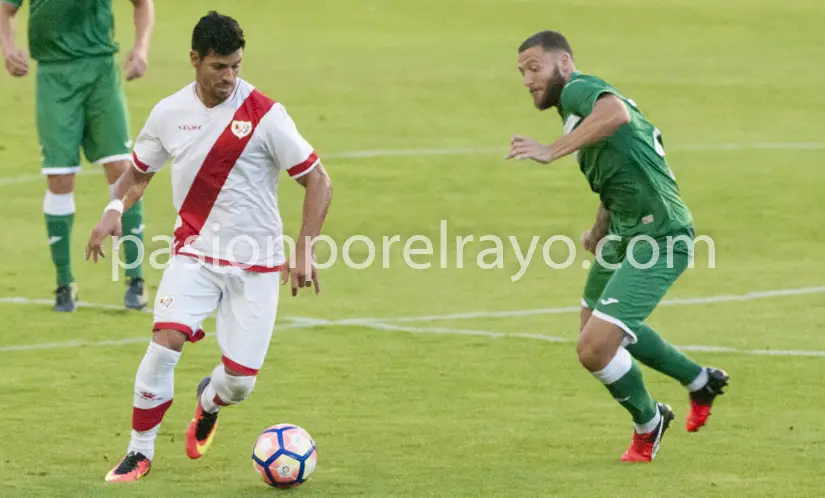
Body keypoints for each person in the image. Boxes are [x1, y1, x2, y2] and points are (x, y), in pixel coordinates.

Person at [85, 11, 333, 482]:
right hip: (194, 255)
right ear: (195, 59)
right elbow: (137, 173)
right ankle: (139, 451)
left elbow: (319, 180)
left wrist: (305, 250)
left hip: (257, 266)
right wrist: (113, 210)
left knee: (239, 383)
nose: (230, 77)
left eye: (236, 66)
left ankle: (209, 400)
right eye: (220, 66)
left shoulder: (265, 115)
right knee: (164, 344)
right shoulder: (169, 113)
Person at [506, 30, 729, 462]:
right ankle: (699, 381)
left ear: (564, 64)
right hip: (625, 232)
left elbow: (617, 114)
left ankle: (649, 423)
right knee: (594, 324)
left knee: (594, 348)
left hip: (660, 235)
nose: (528, 79)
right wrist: (598, 231)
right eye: (521, 72)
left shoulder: (578, 90)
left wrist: (551, 151)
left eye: (535, 67)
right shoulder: (573, 113)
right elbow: (616, 178)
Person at [0, 0, 155, 311]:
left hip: (101, 72)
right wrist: (8, 48)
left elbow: (143, 4)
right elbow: (5, 9)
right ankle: (64, 283)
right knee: (59, 177)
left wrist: (141, 48)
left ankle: (136, 279)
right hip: (54, 76)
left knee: (122, 169)